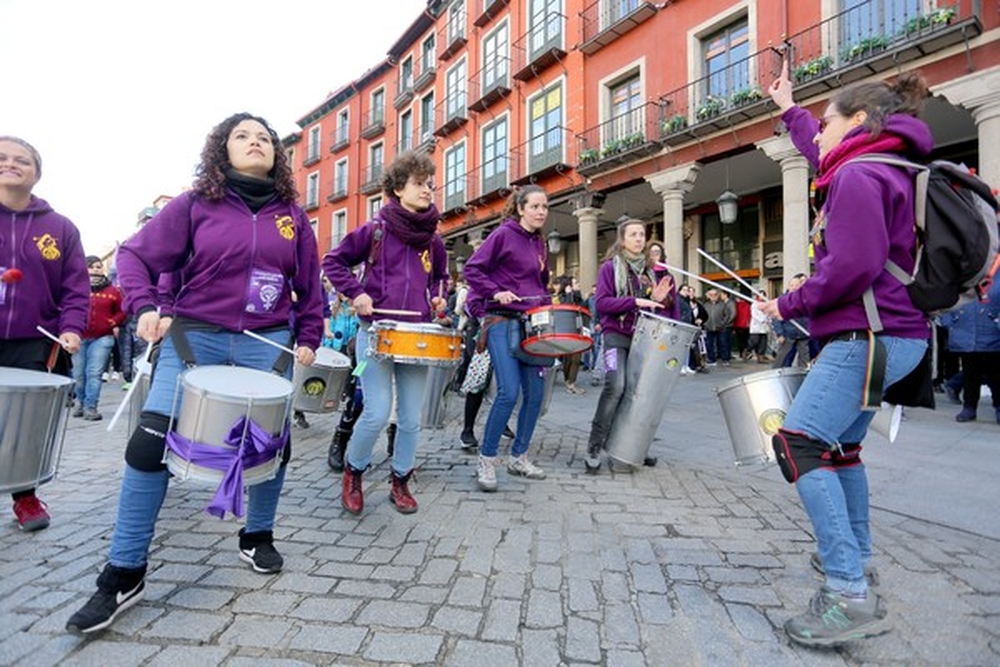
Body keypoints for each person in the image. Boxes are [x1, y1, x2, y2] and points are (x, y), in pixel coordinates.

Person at [66, 112, 324, 634]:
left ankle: (257, 536)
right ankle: (125, 570)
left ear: (276, 154)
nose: (256, 143)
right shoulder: (193, 204)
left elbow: (310, 286)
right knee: (148, 445)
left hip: (265, 341)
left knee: (273, 446)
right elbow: (135, 256)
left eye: (264, 138)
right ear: (221, 150)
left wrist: (310, 337)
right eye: (242, 136)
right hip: (193, 336)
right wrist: (142, 307)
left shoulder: (292, 217)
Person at [761, 63, 933, 647]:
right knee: (842, 449)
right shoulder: (880, 163)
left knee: (800, 442)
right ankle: (858, 563)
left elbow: (852, 266)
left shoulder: (859, 175)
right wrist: (789, 107)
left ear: (857, 121)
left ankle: (848, 593)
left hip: (869, 334)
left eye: (827, 120)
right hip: (892, 336)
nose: (821, 133)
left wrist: (789, 303)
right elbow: (817, 149)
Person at [323, 150, 448, 516]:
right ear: (398, 188)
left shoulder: (433, 240)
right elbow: (334, 261)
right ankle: (354, 470)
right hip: (376, 330)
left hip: (417, 334)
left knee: (410, 417)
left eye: (430, 185)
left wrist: (439, 299)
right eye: (419, 184)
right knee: (377, 412)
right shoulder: (375, 230)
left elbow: (440, 277)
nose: (428, 191)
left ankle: (400, 479)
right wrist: (357, 293)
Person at [0, 136, 89, 532]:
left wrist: (71, 328)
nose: (11, 164)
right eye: (2, 157)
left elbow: (75, 286)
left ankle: (26, 497)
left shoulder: (60, 227)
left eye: (22, 160)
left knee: (25, 425)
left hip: (36, 340)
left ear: (36, 173)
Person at [464, 185, 553, 491]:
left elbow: (542, 284)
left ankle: (519, 457)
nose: (541, 211)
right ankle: (486, 460)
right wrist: (495, 292)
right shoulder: (502, 235)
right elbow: (472, 269)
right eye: (535, 206)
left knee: (536, 394)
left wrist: (550, 309)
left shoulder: (541, 244)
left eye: (545, 206)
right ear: (520, 208)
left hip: (533, 324)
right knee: (508, 392)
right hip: (502, 321)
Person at [584, 218, 678, 472]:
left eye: (642, 234)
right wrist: (636, 301)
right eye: (634, 234)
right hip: (616, 335)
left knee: (637, 391)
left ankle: (630, 445)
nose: (639, 239)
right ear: (622, 239)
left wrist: (660, 298)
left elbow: (656, 304)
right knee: (615, 385)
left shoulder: (649, 272)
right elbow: (602, 303)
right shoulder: (609, 268)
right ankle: (594, 444)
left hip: (643, 339)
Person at [71, 255, 126, 421]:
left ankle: (91, 407)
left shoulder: (113, 291)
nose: (96, 269)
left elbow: (123, 310)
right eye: (92, 266)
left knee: (94, 373)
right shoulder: (76, 287)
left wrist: (112, 321)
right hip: (79, 336)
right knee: (78, 374)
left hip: (103, 337)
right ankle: (79, 402)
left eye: (98, 266)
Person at [940, 279, 1000, 423]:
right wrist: (949, 321)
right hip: (966, 331)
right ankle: (969, 407)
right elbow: (945, 296)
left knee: (996, 374)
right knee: (970, 373)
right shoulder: (963, 271)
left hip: (993, 332)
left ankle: (998, 406)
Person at [771, 273, 813, 369]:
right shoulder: (783, 300)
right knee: (781, 358)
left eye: (796, 285)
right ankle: (776, 374)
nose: (794, 288)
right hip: (788, 334)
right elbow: (776, 318)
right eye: (792, 285)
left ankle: (804, 375)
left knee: (805, 358)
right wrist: (780, 334)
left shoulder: (805, 300)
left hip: (803, 334)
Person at [556, 275, 586, 395]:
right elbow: (565, 308)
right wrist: (568, 294)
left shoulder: (577, 297)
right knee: (568, 358)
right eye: (575, 283)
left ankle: (571, 382)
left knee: (576, 358)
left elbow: (583, 307)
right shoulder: (563, 297)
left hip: (577, 329)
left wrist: (576, 293)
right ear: (569, 286)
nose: (578, 284)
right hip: (567, 330)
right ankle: (569, 381)